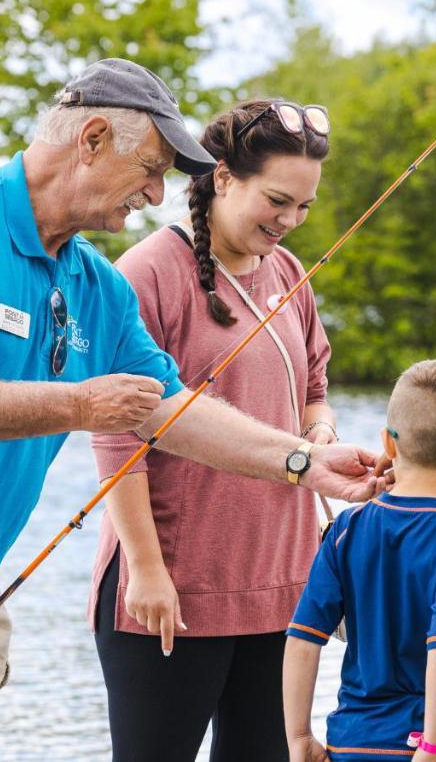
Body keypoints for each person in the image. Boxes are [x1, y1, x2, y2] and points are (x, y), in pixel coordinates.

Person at [0, 58, 391, 762]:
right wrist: (83, 401)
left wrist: (304, 461)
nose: (155, 193)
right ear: (90, 139)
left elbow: (171, 409)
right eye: (149, 168)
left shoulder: (92, 283)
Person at [88, 98, 339, 761]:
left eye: (304, 208)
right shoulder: (147, 272)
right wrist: (145, 568)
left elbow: (313, 391)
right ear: (223, 176)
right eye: (277, 200)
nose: (289, 222)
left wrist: (321, 432)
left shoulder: (290, 275)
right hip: (171, 584)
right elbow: (116, 432)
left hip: (281, 579)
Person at [283, 359, 436, 762]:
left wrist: (298, 737)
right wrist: (433, 749)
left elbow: (304, 636)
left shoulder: (348, 528)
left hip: (352, 740)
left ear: (388, 444)